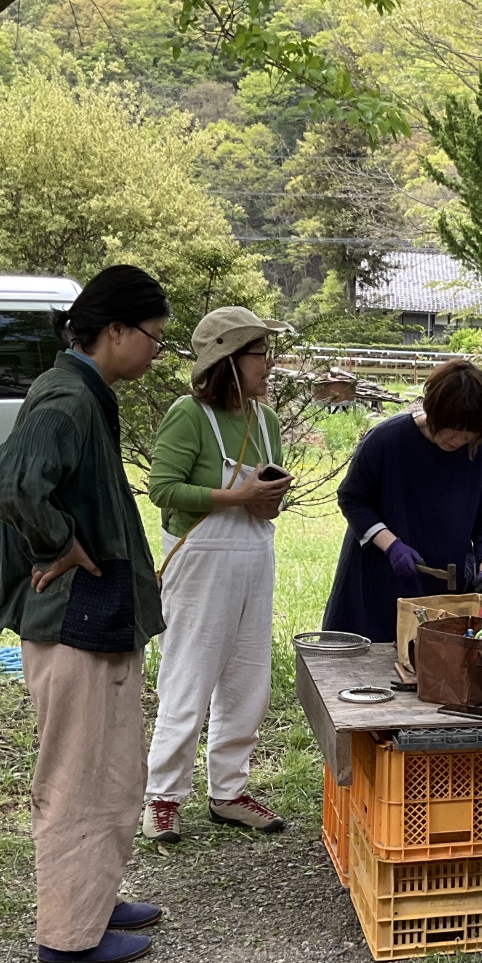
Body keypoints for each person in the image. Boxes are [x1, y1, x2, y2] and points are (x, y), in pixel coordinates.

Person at [0, 264, 172, 963]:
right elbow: (8, 482)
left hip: (94, 613)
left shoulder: (85, 392)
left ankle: (92, 896)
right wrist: (59, 544)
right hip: (73, 619)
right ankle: (68, 933)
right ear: (115, 330)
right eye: (152, 336)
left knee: (110, 765)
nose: (156, 350)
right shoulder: (67, 397)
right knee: (78, 773)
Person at [140, 305, 295, 845]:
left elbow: (268, 504)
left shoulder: (265, 420)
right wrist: (237, 496)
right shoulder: (188, 415)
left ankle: (229, 792)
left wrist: (267, 499)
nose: (268, 365)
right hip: (200, 562)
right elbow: (163, 489)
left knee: (247, 681)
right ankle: (162, 798)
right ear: (228, 360)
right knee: (188, 678)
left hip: (253, 557)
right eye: (259, 354)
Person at [322, 359, 482, 642]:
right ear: (435, 410)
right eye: (453, 429)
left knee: (433, 660)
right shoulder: (386, 440)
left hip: (442, 598)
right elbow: (352, 498)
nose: (458, 439)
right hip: (375, 585)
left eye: (469, 434)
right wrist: (391, 545)